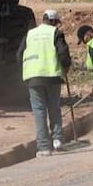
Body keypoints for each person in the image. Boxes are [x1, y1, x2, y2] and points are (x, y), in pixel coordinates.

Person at [22, 9, 72, 156]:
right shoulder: (55, 33)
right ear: (53, 21)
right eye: (56, 23)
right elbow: (63, 53)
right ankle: (57, 140)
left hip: (33, 78)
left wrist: (26, 71)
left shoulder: (30, 34)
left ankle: (44, 147)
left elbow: (19, 55)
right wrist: (66, 67)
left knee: (39, 112)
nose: (56, 25)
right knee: (54, 108)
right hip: (52, 76)